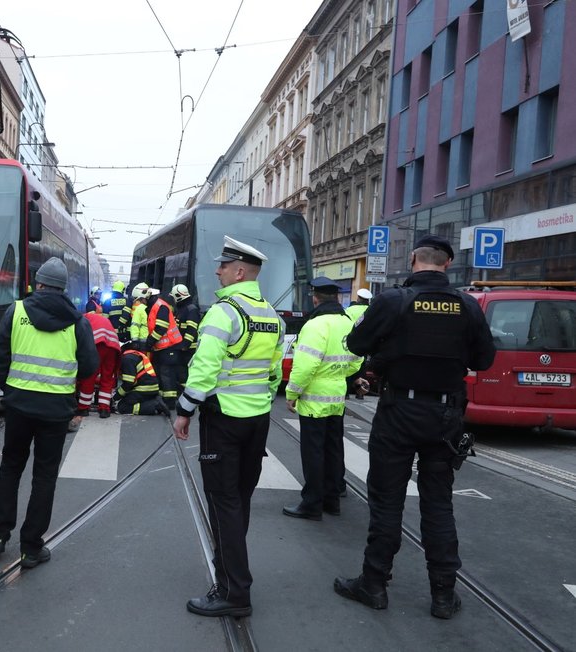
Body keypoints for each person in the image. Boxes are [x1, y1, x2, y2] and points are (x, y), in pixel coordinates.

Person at [333, 234, 495, 620]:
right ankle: (443, 595)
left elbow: (356, 344)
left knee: (386, 501)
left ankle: (373, 584)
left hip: (398, 412)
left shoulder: (393, 301)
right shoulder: (467, 306)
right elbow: (485, 359)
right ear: (447, 264)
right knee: (438, 503)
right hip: (445, 417)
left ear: (413, 261)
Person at [173, 236, 284, 618]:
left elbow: (203, 369)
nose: (217, 270)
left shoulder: (224, 312)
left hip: (224, 421)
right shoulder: (271, 315)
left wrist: (185, 409)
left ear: (239, 272)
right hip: (257, 420)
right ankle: (230, 576)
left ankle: (234, 592)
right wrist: (260, 403)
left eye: (223, 265)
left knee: (224, 505)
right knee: (239, 500)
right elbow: (272, 374)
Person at [0, 257, 99, 569]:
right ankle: (31, 547)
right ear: (62, 289)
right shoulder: (78, 321)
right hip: (56, 410)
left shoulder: (16, 311)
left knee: (10, 467)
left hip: (19, 405)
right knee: (44, 476)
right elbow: (90, 366)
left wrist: (8, 389)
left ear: (38, 283)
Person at [282, 277, 362, 521]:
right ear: (337, 298)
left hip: (314, 401)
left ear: (315, 297)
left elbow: (305, 366)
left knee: (313, 452)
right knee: (333, 449)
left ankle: (312, 504)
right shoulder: (347, 323)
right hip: (336, 398)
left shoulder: (315, 325)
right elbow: (358, 359)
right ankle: (332, 501)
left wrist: (292, 393)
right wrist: (339, 376)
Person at [76, 307, 121, 418]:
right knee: (107, 377)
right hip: (113, 346)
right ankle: (104, 409)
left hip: (98, 343)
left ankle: (83, 408)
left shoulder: (81, 320)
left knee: (89, 375)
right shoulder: (96, 318)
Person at [145, 288, 185, 410]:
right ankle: (163, 399)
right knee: (162, 373)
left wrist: (150, 342)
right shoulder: (157, 306)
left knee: (167, 374)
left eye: (146, 299)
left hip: (169, 347)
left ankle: (170, 402)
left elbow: (161, 328)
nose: (144, 302)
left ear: (151, 297)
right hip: (162, 348)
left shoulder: (161, 307)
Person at [114, 344, 168, 415]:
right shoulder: (135, 355)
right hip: (149, 387)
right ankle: (153, 401)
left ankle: (155, 405)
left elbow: (128, 383)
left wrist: (116, 396)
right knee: (127, 400)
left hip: (143, 389)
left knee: (123, 407)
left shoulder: (127, 359)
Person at [170, 284, 200, 386]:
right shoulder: (182, 309)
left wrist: (185, 345)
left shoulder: (191, 310)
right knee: (180, 373)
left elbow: (191, 330)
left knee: (185, 374)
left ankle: (185, 393)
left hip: (188, 350)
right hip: (181, 348)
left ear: (178, 296)